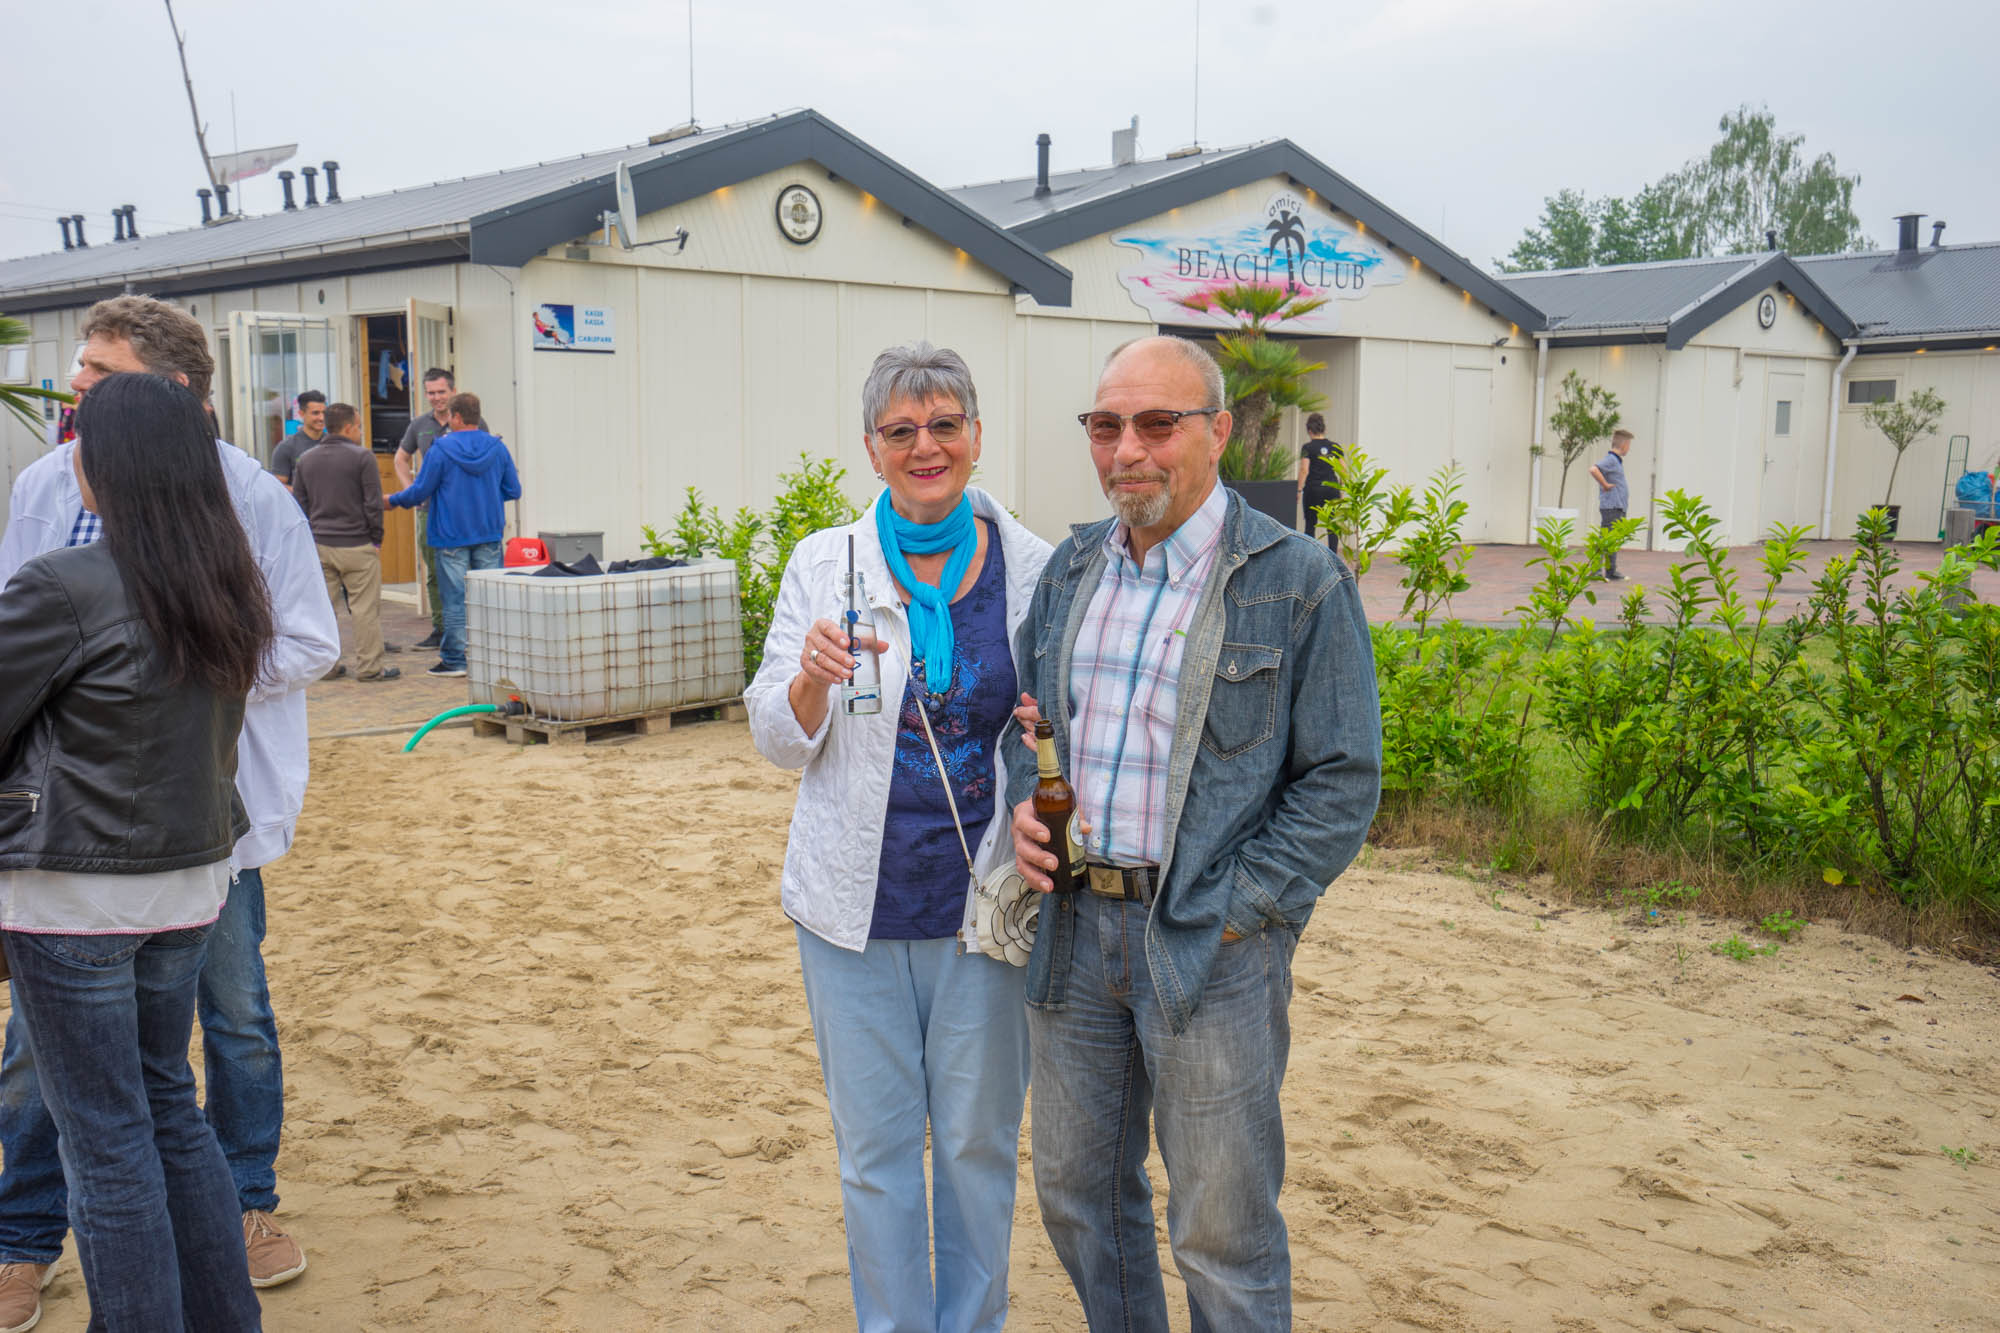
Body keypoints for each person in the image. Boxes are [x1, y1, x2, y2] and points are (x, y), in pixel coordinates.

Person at [1007, 335, 1381, 1331]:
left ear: (1217, 433)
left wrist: (1239, 908)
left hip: (1210, 945)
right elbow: (1027, 726)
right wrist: (1023, 803)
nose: (1126, 448)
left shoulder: (1297, 580)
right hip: (1073, 933)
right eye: (1105, 425)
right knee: (1079, 1196)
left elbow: (1342, 780)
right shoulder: (1070, 570)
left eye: (1155, 423)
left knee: (1222, 1233)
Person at [0, 295, 339, 1325]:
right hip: (184, 865)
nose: (76, 400)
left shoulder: (80, 583)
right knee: (163, 1104)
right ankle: (51, 1250)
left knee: (115, 1133)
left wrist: (124, 689)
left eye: (96, 387)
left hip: (84, 882)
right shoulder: (212, 578)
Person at [744, 342, 1051, 1333]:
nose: (927, 446)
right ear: (871, 448)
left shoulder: (1034, 568)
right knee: (875, 1155)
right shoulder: (822, 563)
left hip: (984, 910)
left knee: (975, 1147)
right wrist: (809, 677)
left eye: (945, 425)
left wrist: (1047, 736)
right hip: (852, 912)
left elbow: (1063, 729)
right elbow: (775, 739)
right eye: (902, 430)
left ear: (976, 435)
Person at [385, 392, 519, 679]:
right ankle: (491, 659)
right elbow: (513, 490)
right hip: (488, 533)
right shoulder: (497, 448)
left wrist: (393, 501)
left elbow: (421, 491)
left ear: (456, 417)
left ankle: (456, 660)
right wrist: (486, 497)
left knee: (456, 600)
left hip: (450, 536)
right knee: (490, 598)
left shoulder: (441, 450)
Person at [294, 402, 399, 683]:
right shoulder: (362, 457)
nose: (360, 432)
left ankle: (326, 666)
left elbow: (299, 505)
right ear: (349, 427)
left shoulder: (306, 459)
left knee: (323, 609)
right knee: (365, 609)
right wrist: (376, 538)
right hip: (357, 544)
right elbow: (373, 503)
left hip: (320, 544)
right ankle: (370, 668)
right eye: (359, 427)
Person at [395, 369, 487, 651]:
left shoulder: (474, 423)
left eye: (441, 392)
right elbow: (400, 459)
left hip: (465, 512)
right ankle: (441, 629)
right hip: (430, 510)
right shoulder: (419, 425)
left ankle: (473, 630)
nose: (436, 398)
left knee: (470, 571)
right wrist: (412, 490)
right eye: (431, 393)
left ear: (453, 391)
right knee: (435, 572)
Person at [1589, 428, 1634, 580]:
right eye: (1629, 445)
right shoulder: (1611, 459)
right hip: (1611, 506)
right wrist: (1605, 485)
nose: (1629, 448)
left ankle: (1611, 571)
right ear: (1624, 445)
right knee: (1605, 538)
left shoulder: (1616, 461)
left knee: (1613, 539)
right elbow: (1593, 469)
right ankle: (1595, 571)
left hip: (1618, 506)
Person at [1298, 409, 1342, 547]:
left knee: (1310, 524)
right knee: (1332, 525)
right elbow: (1343, 470)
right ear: (1324, 429)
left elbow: (1304, 470)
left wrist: (1299, 490)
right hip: (1331, 489)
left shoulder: (1307, 447)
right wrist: (1341, 489)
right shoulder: (1335, 447)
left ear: (1309, 430)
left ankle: (1311, 556)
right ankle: (1333, 556)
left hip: (1313, 489)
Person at [267, 389, 325, 493]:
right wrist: (305, 494)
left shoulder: (334, 443)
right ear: (302, 414)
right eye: (315, 413)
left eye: (324, 413)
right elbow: (278, 485)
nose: (321, 418)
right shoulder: (286, 447)